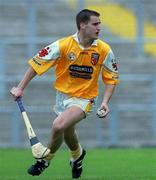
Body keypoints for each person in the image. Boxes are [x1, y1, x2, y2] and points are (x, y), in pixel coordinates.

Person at [10, 9, 119, 179]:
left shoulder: (104, 50)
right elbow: (37, 63)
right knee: (67, 131)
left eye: (100, 24)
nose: (100, 27)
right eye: (95, 24)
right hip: (62, 97)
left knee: (58, 125)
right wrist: (20, 87)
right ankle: (77, 156)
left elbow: (111, 79)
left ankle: (44, 160)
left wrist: (105, 102)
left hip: (85, 98)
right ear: (83, 25)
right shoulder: (62, 45)